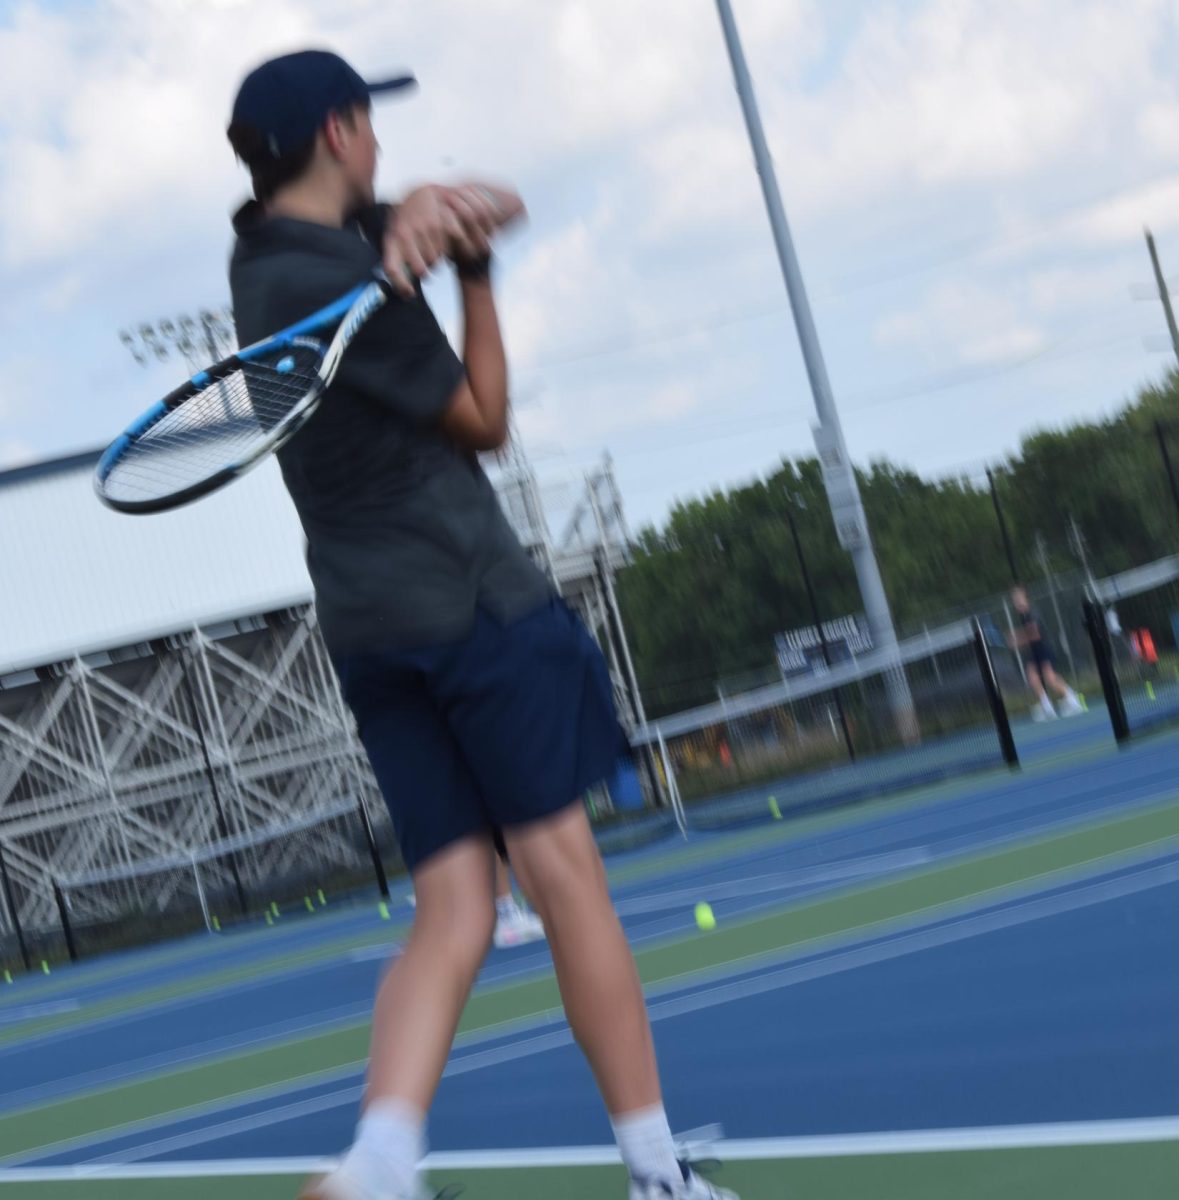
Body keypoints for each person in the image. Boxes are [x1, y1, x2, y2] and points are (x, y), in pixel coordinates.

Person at [225, 49, 736, 1200]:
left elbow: (490, 195)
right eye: (375, 130)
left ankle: (379, 1162)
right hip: (469, 604)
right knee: (566, 876)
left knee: (456, 904)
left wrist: (425, 215)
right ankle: (657, 1174)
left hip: (368, 629)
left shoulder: (261, 259)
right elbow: (486, 420)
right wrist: (479, 278)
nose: (384, 145)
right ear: (347, 129)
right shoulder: (350, 289)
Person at [1008, 586, 1084, 720]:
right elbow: (1028, 631)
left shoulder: (1032, 612)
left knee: (1049, 678)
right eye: (1015, 600)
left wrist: (1017, 640)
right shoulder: (1024, 615)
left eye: (1019, 598)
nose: (1017, 602)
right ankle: (1047, 707)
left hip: (1044, 648)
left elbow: (1035, 634)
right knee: (1033, 677)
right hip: (1036, 649)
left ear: (1026, 599)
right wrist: (1017, 636)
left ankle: (1073, 700)